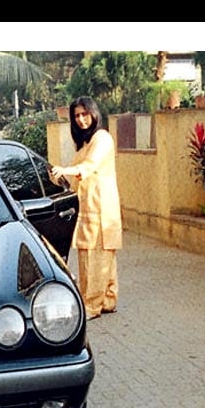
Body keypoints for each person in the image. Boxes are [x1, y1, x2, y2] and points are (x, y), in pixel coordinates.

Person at [51, 96, 122, 321]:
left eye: (84, 114)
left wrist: (65, 170)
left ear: (93, 113)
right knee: (97, 255)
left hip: (100, 206)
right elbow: (74, 172)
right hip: (89, 205)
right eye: (77, 116)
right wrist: (56, 175)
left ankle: (91, 306)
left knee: (95, 255)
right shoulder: (85, 143)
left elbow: (88, 167)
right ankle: (107, 300)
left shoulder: (102, 139)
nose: (81, 120)